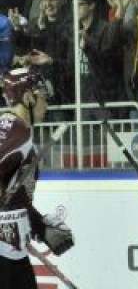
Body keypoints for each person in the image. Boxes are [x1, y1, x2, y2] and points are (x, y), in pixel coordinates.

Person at [0, 68, 74, 289]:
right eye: (42, 97)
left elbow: (15, 196)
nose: (47, 105)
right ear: (28, 97)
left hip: (11, 253)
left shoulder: (16, 131)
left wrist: (39, 226)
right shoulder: (14, 129)